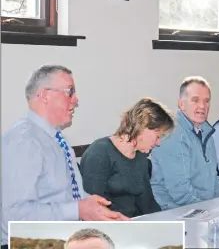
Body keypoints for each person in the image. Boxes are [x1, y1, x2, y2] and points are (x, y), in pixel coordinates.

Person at [1, 65, 129, 248]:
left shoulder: (57, 139)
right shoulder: (24, 141)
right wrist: (79, 209)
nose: (76, 100)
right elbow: (13, 216)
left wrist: (99, 212)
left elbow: (67, 197)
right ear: (44, 95)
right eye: (70, 92)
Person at [80, 98, 174, 218]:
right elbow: (93, 211)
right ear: (143, 129)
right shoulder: (99, 154)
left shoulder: (140, 157)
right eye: (158, 136)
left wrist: (165, 222)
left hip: (133, 224)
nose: (158, 143)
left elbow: (148, 204)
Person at [150, 76, 219, 210]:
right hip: (174, 212)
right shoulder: (173, 134)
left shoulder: (205, 130)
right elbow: (181, 192)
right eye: (195, 100)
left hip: (202, 209)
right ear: (181, 104)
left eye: (206, 101)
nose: (202, 106)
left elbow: (214, 182)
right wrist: (211, 212)